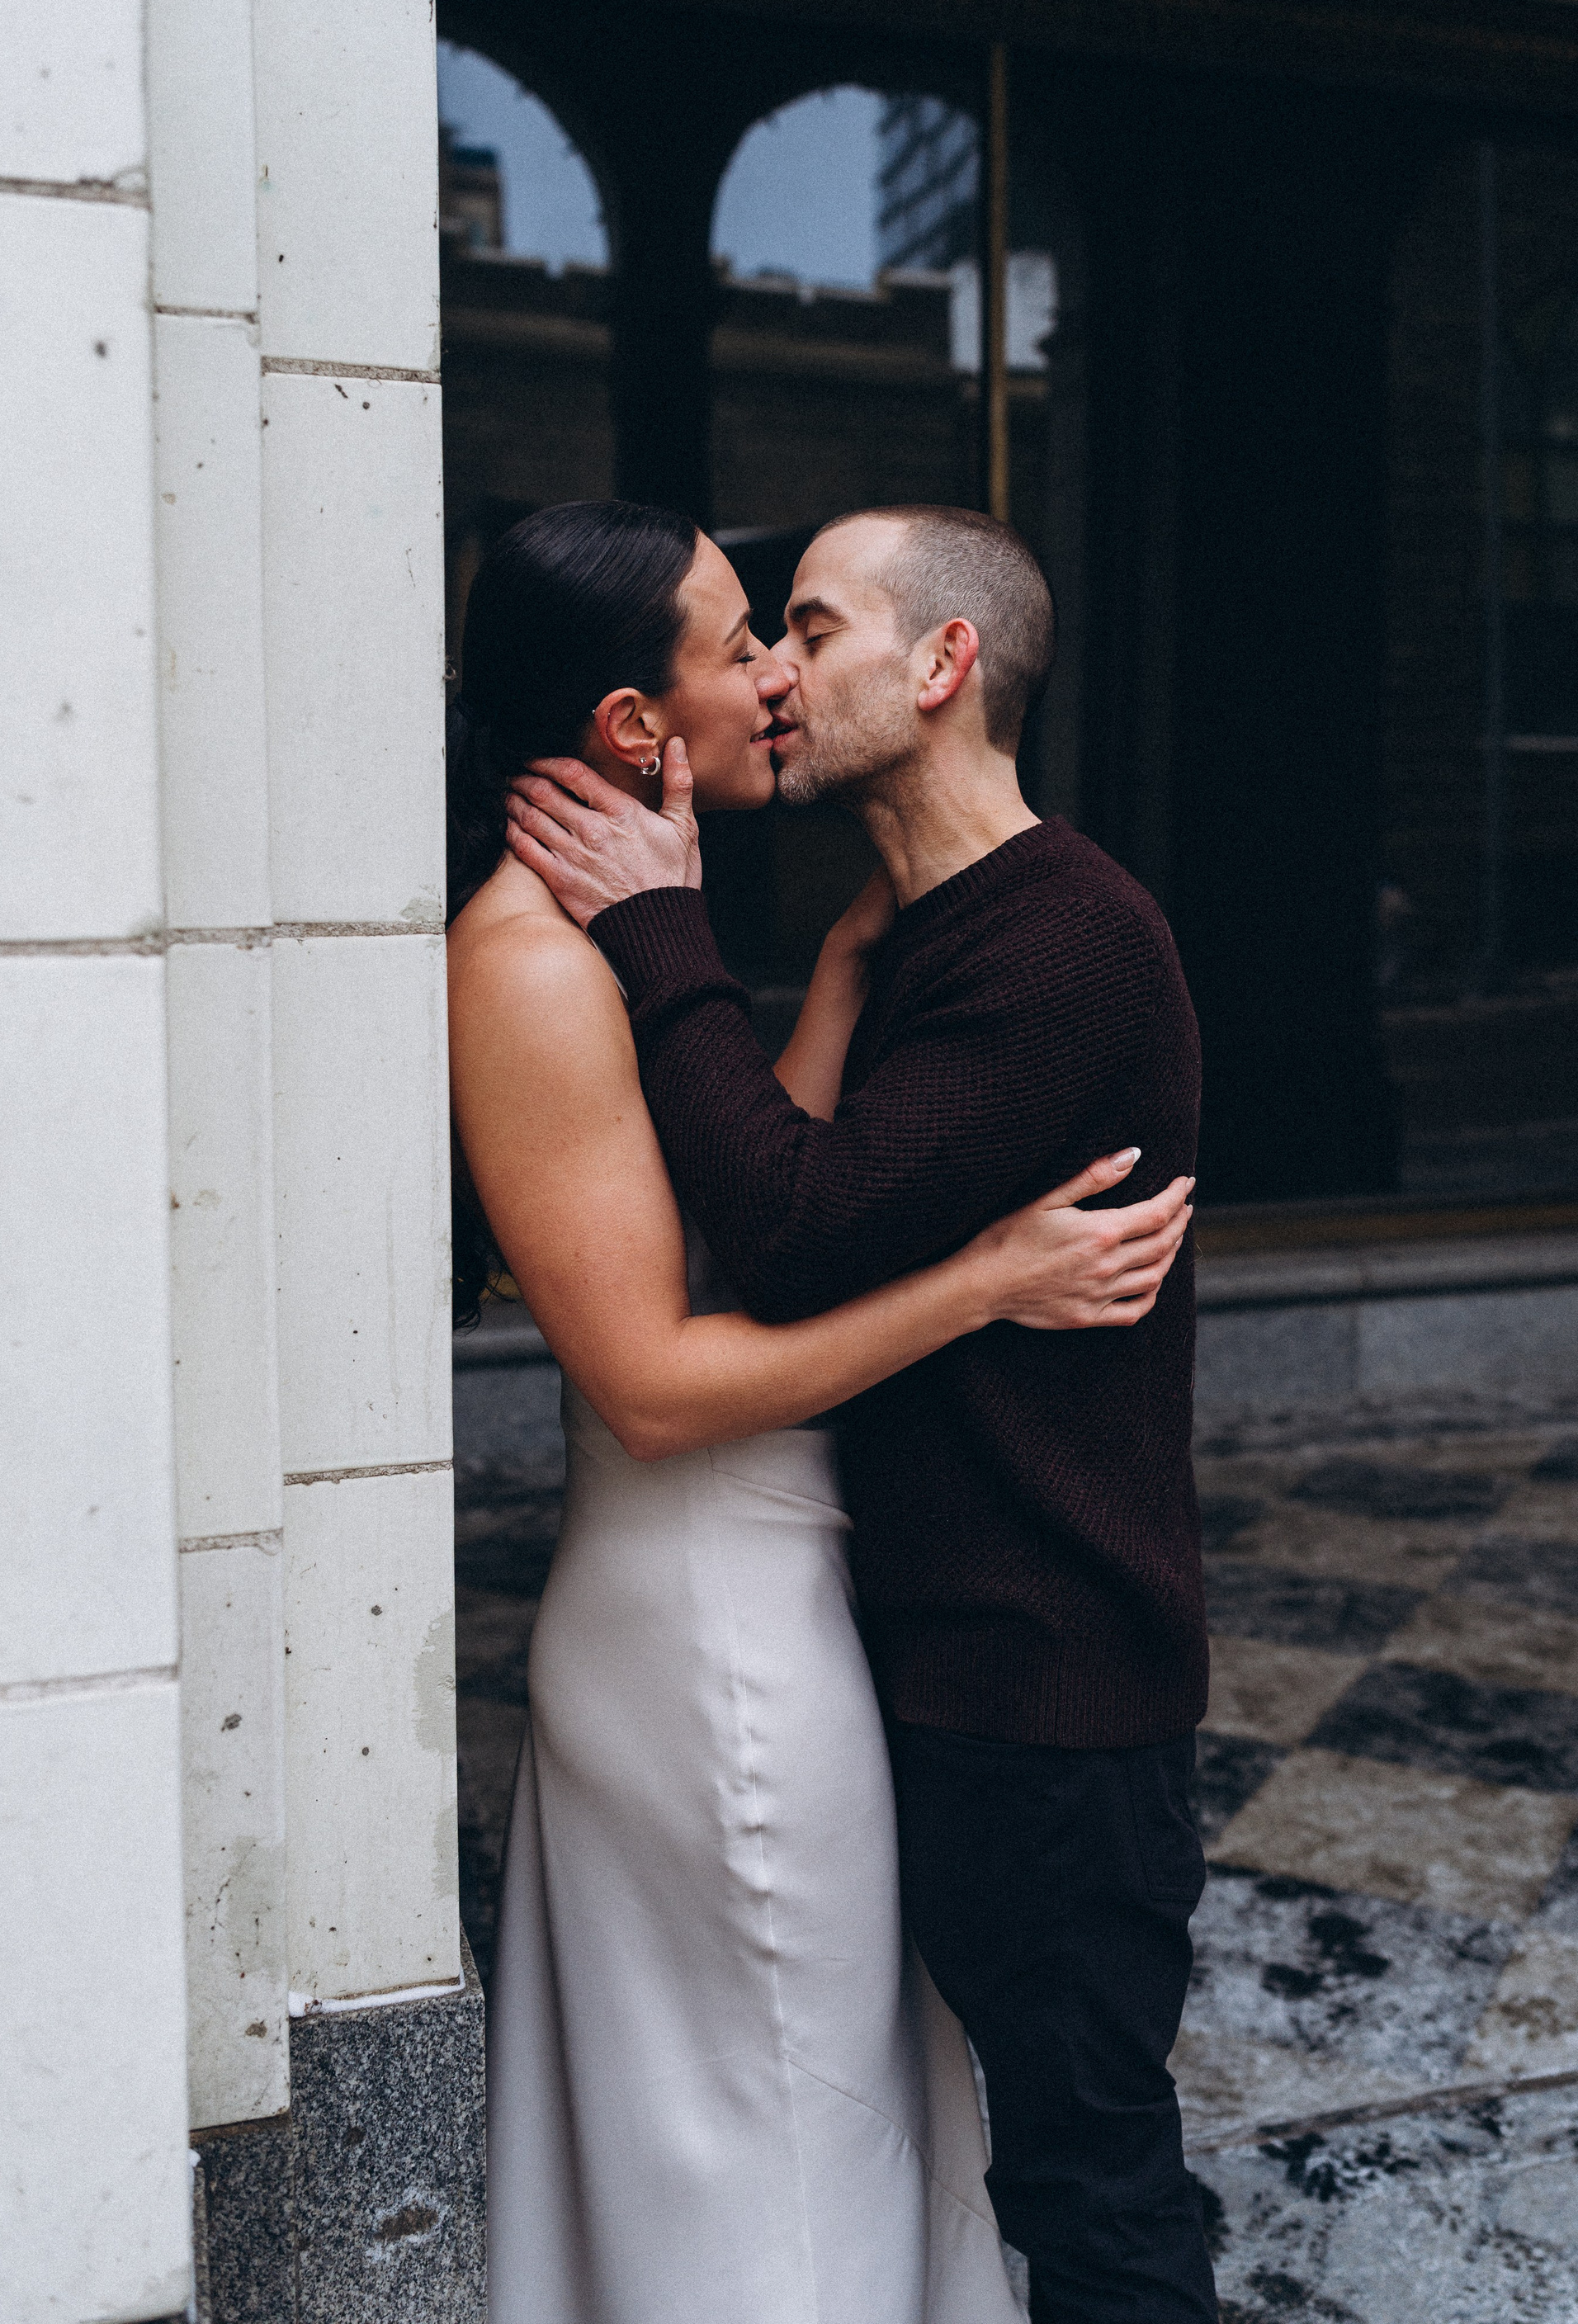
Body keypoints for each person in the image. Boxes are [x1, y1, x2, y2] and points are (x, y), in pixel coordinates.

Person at [446, 499, 1194, 2324]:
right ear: (635, 723)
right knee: (782, 2129)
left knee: (917, 2138)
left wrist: (784, 963)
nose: (777, 674)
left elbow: (767, 1216)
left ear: (944, 665)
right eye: (745, 639)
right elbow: (682, 1345)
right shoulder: (545, 958)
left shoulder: (1032, 936)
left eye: (805, 628)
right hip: (719, 1615)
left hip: (946, 1640)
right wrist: (982, 1280)